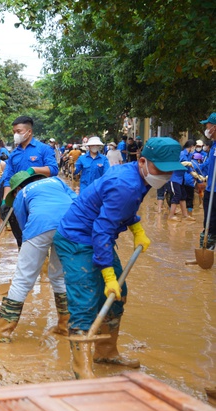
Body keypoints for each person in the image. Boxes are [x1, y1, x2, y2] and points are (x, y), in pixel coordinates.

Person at [53, 137, 186, 379]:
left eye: (171, 171)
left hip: (97, 235)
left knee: (118, 294)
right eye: (162, 170)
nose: (166, 176)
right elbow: (102, 230)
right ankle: (81, 368)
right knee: (85, 301)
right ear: (143, 161)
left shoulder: (141, 176)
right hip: (77, 238)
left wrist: (137, 229)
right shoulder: (126, 184)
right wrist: (107, 274)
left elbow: (125, 210)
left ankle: (106, 353)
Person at [0, 171, 76, 343]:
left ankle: (1, 333)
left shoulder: (22, 194)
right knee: (59, 277)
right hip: (70, 226)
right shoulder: (57, 181)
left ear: (17, 189)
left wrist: (30, 248)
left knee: (22, 280)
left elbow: (24, 224)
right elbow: (77, 202)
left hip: (40, 226)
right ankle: (65, 326)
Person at [1, 116, 59, 249]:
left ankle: (44, 265)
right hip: (19, 200)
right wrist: (5, 200)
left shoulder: (43, 149)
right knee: (22, 238)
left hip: (40, 199)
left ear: (29, 132)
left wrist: (34, 170)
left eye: (19, 131)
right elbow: (8, 179)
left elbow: (53, 169)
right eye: (14, 131)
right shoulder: (14, 154)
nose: (16, 135)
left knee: (42, 236)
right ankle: (25, 262)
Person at [168, 140, 197, 221]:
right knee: (176, 195)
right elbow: (176, 164)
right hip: (174, 179)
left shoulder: (188, 155)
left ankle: (185, 215)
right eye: (194, 147)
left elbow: (187, 168)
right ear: (191, 146)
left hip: (181, 179)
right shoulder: (181, 154)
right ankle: (171, 216)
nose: (194, 149)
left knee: (183, 196)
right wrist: (186, 163)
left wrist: (194, 174)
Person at [200, 113, 216, 249]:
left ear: (214, 128)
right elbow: (207, 167)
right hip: (210, 190)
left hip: (215, 193)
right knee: (208, 224)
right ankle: (208, 252)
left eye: (208, 125)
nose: (206, 128)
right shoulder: (214, 146)